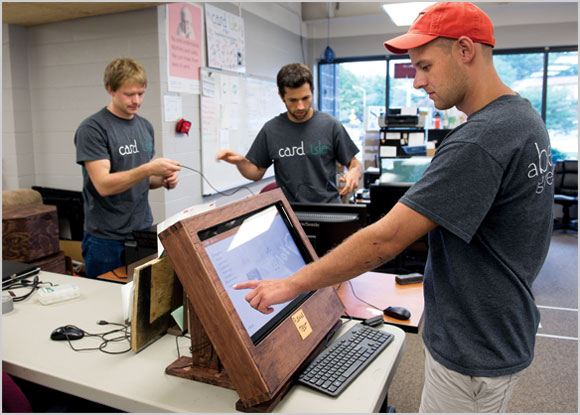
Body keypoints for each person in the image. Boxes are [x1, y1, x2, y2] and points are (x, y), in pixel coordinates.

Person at [234, 3, 553, 412]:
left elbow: (385, 240)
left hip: (475, 344)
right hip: (498, 328)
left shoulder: (481, 139)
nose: (417, 82)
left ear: (465, 50)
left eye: (424, 66)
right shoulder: (524, 118)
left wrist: (291, 284)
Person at [75, 58, 181, 278]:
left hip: (142, 232)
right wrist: (149, 168)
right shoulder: (93, 129)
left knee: (143, 305)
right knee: (106, 306)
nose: (136, 100)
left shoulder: (144, 127)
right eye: (129, 94)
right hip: (106, 239)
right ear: (110, 89)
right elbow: (103, 185)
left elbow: (140, 179)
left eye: (141, 93)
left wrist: (161, 180)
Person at [217, 63, 362, 203]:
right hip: (290, 213)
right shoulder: (271, 130)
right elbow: (256, 173)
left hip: (328, 211)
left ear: (312, 91)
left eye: (305, 98)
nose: (300, 106)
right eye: (293, 100)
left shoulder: (331, 126)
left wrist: (355, 170)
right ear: (281, 96)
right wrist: (241, 163)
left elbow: (354, 162)